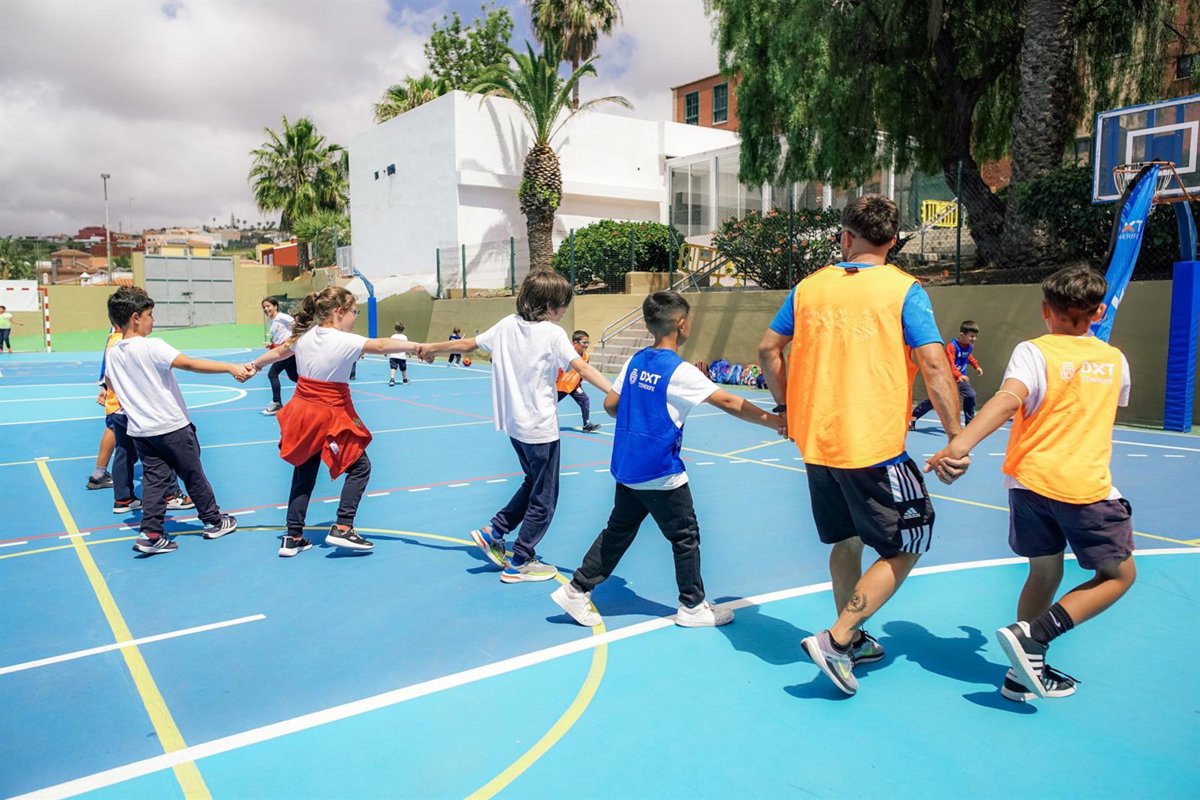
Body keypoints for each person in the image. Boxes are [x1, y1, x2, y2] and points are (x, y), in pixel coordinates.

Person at [757, 194, 969, 696]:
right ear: (892, 241)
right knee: (910, 540)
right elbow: (934, 364)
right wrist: (956, 437)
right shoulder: (903, 289)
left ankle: (849, 641)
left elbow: (768, 349)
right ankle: (837, 638)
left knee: (847, 539)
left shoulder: (809, 287)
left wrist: (786, 408)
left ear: (846, 237)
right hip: (872, 445)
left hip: (817, 444)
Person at [927, 266, 1135, 702]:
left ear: (1045, 310)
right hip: (1083, 487)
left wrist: (958, 445)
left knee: (1044, 572)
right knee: (1119, 575)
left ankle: (1022, 673)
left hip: (1028, 484)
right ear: (1098, 313)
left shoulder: (1033, 351)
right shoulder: (1116, 361)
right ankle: (1035, 637)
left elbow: (1008, 401)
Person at [552, 292, 785, 628]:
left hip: (628, 467)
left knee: (618, 530)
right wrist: (776, 421)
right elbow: (729, 402)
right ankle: (692, 606)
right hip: (660, 471)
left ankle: (577, 589)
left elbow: (611, 405)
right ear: (682, 325)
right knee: (685, 536)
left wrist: (639, 411)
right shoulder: (680, 371)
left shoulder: (635, 361)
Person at [418, 271, 612, 583]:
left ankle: (495, 530)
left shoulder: (507, 324)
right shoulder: (553, 334)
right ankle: (521, 559)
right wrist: (616, 394)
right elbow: (583, 368)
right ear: (549, 305)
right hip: (540, 428)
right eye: (563, 304)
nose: (565, 310)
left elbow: (467, 344)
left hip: (515, 427)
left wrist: (431, 348)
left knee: (532, 482)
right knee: (544, 498)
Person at [247, 287, 423, 557]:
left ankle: (292, 536)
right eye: (354, 312)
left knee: (304, 471)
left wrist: (255, 365)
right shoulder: (344, 340)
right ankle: (343, 526)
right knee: (360, 467)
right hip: (328, 412)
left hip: (302, 411)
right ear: (340, 312)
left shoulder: (305, 336)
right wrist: (419, 347)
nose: (355, 317)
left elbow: (280, 352)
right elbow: (381, 346)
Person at [102, 286, 245, 555]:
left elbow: (111, 383)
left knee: (154, 480)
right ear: (135, 317)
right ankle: (214, 521)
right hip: (171, 426)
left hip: (141, 430)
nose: (152, 320)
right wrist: (230, 367)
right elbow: (188, 363)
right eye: (149, 315)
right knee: (193, 474)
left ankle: (151, 533)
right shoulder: (152, 346)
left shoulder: (114, 353)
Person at [96, 325, 193, 514]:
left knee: (123, 452)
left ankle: (123, 499)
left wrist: (105, 388)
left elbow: (107, 374)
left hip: (116, 408)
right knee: (162, 450)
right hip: (133, 409)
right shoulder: (127, 343)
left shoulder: (112, 341)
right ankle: (171, 494)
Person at [911, 320, 984, 429]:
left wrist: (976, 366)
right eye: (971, 336)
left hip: (960, 379)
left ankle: (969, 423)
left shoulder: (969, 346)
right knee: (935, 400)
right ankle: (913, 417)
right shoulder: (952, 347)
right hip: (947, 379)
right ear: (962, 335)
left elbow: (968, 356)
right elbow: (950, 364)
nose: (974, 339)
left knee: (971, 395)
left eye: (975, 336)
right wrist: (959, 375)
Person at [556, 329, 600, 433]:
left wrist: (578, 383)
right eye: (584, 342)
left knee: (585, 400)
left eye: (588, 342)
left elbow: (583, 370)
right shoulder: (566, 354)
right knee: (549, 405)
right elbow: (558, 369)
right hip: (561, 386)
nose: (586, 345)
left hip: (574, 386)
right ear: (575, 343)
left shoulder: (586, 356)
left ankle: (586, 424)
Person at [261, 297, 297, 415]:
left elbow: (298, 327)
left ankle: (277, 403)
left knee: (272, 374)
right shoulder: (272, 321)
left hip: (286, 351)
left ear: (275, 306)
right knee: (294, 377)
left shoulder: (283, 317)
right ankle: (316, 393)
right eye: (264, 307)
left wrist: (291, 340)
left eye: (268, 306)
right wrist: (272, 345)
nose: (266, 309)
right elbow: (279, 338)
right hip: (283, 351)